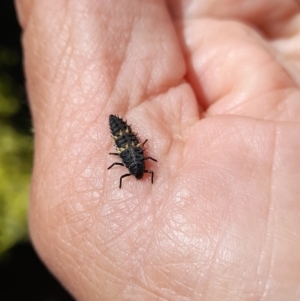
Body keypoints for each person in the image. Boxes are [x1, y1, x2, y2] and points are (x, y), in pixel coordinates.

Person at [16, 0, 300, 300]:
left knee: (125, 146)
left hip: (124, 138)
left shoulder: (133, 162)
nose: (139, 172)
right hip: (124, 136)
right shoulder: (135, 161)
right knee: (125, 144)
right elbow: (129, 160)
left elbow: (127, 161)